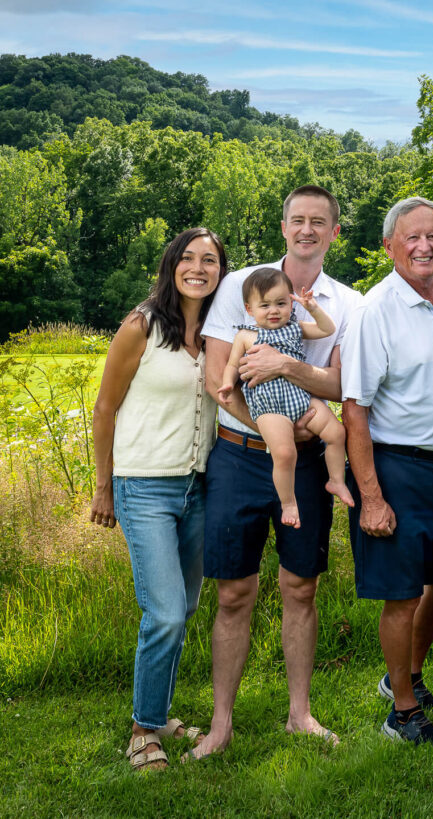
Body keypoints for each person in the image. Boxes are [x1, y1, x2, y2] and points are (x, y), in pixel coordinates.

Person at [193, 185, 363, 759]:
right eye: (298, 220)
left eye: (320, 221)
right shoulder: (243, 287)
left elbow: (341, 386)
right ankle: (220, 724)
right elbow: (219, 378)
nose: (308, 229)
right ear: (284, 225)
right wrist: (273, 429)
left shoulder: (345, 304)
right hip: (240, 456)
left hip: (311, 458)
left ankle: (300, 714)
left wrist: (288, 368)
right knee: (234, 593)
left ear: (334, 231)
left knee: (300, 587)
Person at [342, 196, 433, 745]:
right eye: (411, 238)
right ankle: (402, 712)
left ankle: (405, 673)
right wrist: (372, 497)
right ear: (389, 247)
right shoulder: (374, 311)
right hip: (394, 466)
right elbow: (354, 408)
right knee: (401, 593)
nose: (424, 246)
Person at [90, 227, 226, 770]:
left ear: (221, 271)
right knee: (166, 612)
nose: (199, 267)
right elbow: (105, 408)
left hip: (199, 488)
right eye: (189, 258)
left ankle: (158, 709)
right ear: (172, 265)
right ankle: (143, 730)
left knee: (185, 607)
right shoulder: (141, 325)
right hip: (143, 485)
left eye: (210, 260)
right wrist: (103, 486)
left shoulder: (219, 335)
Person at [217, 267, 354, 528]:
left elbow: (327, 329)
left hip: (300, 398)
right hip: (269, 406)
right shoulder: (245, 335)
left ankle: (336, 479)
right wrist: (226, 383)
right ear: (249, 308)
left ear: (290, 303)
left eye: (281, 303)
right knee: (284, 452)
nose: (273, 310)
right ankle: (288, 502)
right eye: (265, 305)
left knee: (336, 433)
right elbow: (233, 365)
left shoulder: (295, 327)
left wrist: (312, 307)